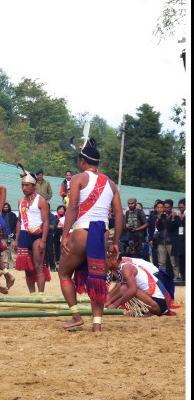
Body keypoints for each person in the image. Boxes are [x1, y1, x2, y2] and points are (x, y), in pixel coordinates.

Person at [58, 137, 123, 335]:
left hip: (81, 233)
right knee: (97, 278)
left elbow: (73, 206)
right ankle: (97, 324)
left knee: (63, 273)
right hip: (101, 234)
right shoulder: (111, 184)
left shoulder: (78, 178)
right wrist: (115, 242)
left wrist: (64, 234)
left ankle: (76, 316)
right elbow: (119, 214)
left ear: (82, 162)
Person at [106, 249, 175, 316]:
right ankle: (144, 310)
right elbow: (121, 290)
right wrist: (109, 303)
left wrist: (114, 304)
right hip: (158, 300)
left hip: (159, 304)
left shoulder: (126, 268)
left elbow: (132, 290)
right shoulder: (123, 267)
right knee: (124, 287)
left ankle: (145, 310)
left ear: (113, 260)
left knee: (127, 288)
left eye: (104, 260)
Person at [14, 171, 51, 293]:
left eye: (27, 185)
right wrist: (16, 239)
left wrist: (44, 240)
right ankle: (32, 295)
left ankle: (40, 296)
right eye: (22, 185)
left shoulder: (41, 201)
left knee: (38, 266)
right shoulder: (20, 201)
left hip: (38, 235)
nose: (24, 188)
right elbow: (19, 221)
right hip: (24, 235)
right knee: (27, 268)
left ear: (34, 186)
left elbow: (46, 222)